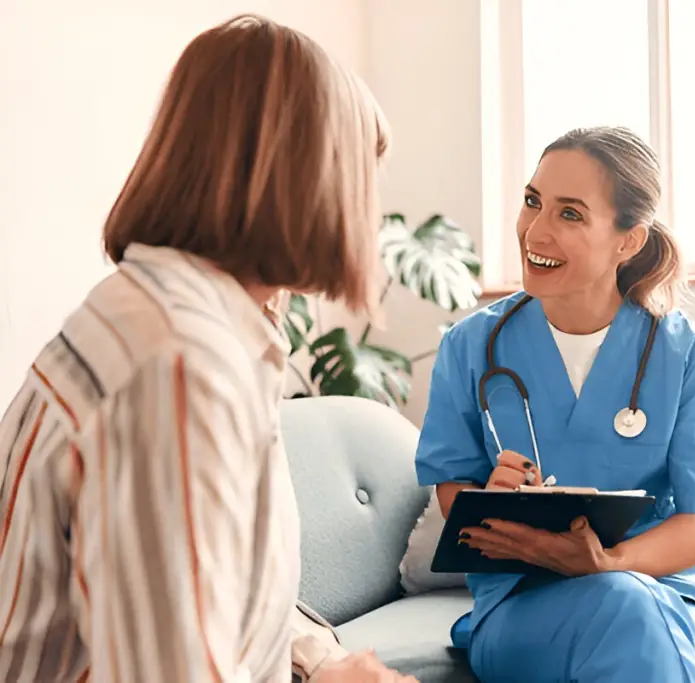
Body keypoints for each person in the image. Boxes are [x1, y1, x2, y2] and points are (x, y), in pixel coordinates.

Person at [0, 14, 415, 683]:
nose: (370, 207)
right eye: (363, 174)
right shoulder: (177, 366)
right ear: (303, 175)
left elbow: (222, 598)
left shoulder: (174, 324)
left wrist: (321, 664)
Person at [415, 126, 695, 682]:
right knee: (632, 620)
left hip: (670, 600)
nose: (534, 231)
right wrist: (487, 498)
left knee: (633, 608)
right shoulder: (470, 347)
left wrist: (610, 563)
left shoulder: (686, 354)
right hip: (523, 604)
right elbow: (452, 493)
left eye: (570, 214)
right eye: (532, 201)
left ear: (628, 240)